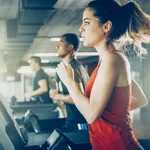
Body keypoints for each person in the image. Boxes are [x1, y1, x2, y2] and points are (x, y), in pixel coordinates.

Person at [56, 0, 149, 149]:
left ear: (106, 26)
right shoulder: (108, 60)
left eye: (86, 22)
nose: (81, 29)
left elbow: (91, 115)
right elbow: (141, 100)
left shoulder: (112, 59)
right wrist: (110, 113)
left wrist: (69, 83)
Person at [50, 33, 89, 131]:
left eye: (61, 43)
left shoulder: (73, 67)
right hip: (72, 120)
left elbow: (78, 97)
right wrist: (58, 95)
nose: (57, 46)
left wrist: (58, 96)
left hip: (80, 123)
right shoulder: (66, 67)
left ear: (70, 47)